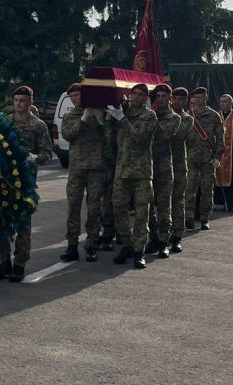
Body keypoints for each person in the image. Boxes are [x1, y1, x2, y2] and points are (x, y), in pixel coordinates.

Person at [0, 84, 53, 282]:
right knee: (0, 222)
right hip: (3, 180)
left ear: (30, 102)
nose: (18, 104)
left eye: (23, 101)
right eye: (16, 100)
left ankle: (19, 264)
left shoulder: (38, 125)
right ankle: (4, 262)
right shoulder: (5, 123)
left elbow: (47, 153)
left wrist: (34, 158)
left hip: (25, 182)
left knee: (23, 224)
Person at [60, 83, 118, 263]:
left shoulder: (100, 113)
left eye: (78, 95)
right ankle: (72, 245)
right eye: (72, 96)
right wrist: (83, 119)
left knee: (94, 209)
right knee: (73, 208)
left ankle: (92, 244)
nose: (75, 99)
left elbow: (110, 139)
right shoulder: (70, 116)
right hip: (77, 169)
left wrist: (101, 121)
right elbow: (68, 135)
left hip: (97, 169)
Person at [111, 83, 158, 269]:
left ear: (146, 98)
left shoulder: (150, 116)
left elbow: (141, 137)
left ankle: (139, 251)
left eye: (140, 95)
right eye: (134, 94)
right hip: (122, 170)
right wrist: (112, 116)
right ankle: (127, 245)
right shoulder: (122, 112)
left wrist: (122, 119)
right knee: (118, 209)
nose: (136, 97)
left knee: (141, 214)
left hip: (141, 173)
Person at [147, 84, 181, 259]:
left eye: (164, 96)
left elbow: (162, 135)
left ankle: (163, 241)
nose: (160, 99)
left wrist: (150, 116)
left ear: (170, 99)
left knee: (163, 206)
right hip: (147, 167)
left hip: (164, 168)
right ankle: (153, 238)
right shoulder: (149, 115)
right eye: (158, 96)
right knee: (147, 207)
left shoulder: (174, 118)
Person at [184, 86, 225, 232]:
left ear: (206, 98)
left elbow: (220, 137)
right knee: (189, 189)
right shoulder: (188, 115)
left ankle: (204, 218)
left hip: (208, 158)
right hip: (190, 158)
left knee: (207, 190)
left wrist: (218, 157)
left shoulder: (214, 116)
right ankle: (189, 217)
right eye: (196, 97)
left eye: (201, 97)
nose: (198, 100)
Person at [168, 87, 193, 253]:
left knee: (177, 200)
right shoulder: (160, 115)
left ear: (186, 102)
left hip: (178, 165)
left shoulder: (187, 119)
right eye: (175, 99)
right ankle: (160, 235)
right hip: (162, 164)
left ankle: (177, 236)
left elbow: (176, 135)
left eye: (181, 100)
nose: (177, 102)